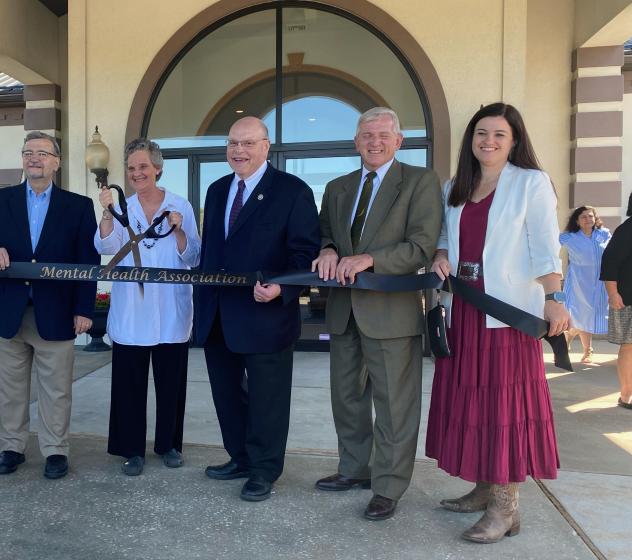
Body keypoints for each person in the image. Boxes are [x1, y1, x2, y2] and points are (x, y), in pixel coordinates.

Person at [426, 103, 569, 544]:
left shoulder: (530, 182)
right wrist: (441, 254)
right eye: (481, 133)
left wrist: (553, 297)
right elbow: (448, 237)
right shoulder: (457, 185)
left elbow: (545, 244)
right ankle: (485, 488)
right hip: (466, 309)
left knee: (504, 408)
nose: (488, 141)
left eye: (499, 134)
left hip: (507, 314)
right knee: (473, 402)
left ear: (514, 141)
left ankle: (506, 509)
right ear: (471, 139)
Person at [310, 107, 443, 520]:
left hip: (392, 312)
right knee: (347, 398)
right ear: (356, 141)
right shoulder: (337, 187)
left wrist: (370, 259)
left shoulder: (420, 182)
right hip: (344, 309)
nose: (375, 141)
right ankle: (354, 469)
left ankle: (387, 486)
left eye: (384, 134)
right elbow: (325, 233)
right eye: (367, 135)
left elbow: (421, 246)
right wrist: (329, 249)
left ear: (398, 140)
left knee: (394, 405)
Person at [194, 116, 321, 502]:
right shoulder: (217, 190)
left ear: (266, 146)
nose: (239, 151)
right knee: (227, 395)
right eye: (233, 143)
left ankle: (264, 470)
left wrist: (282, 288)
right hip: (218, 314)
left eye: (248, 143)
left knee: (267, 399)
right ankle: (240, 458)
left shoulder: (292, 191)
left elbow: (305, 253)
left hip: (265, 314)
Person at [0, 131, 97, 480]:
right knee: (9, 388)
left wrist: (84, 309)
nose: (34, 158)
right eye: (28, 152)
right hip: (9, 310)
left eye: (42, 153)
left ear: (57, 161)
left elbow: (88, 260)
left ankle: (55, 450)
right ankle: (11, 448)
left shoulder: (78, 206)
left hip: (56, 311)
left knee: (56, 389)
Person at [95, 138, 201, 476]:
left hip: (171, 309)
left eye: (143, 166)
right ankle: (131, 450)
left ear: (157, 168)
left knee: (171, 382)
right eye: (131, 168)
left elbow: (193, 256)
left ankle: (169, 444)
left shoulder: (180, 205)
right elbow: (106, 246)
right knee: (129, 384)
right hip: (132, 309)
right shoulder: (122, 207)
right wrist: (107, 213)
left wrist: (180, 230)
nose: (137, 173)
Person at [560, 206, 611, 363]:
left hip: (600, 282)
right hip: (579, 282)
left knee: (592, 314)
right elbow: (549, 250)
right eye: (584, 217)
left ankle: (570, 334)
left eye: (591, 216)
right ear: (577, 220)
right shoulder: (568, 237)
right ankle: (587, 350)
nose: (588, 219)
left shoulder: (604, 234)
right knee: (583, 313)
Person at [601, 194, 632, 410]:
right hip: (627, 299)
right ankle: (626, 395)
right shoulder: (628, 228)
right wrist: (613, 293)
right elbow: (610, 261)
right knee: (630, 346)